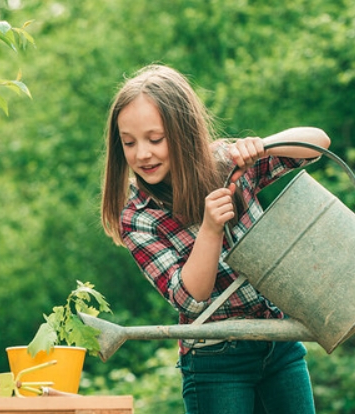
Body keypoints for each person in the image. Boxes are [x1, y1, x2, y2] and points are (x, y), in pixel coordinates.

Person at [100, 64, 330, 414]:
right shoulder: (138, 217)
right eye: (129, 143)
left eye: (155, 139)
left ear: (183, 132)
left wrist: (264, 147)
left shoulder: (226, 163)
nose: (142, 153)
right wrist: (209, 229)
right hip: (216, 359)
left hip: (278, 341)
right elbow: (190, 299)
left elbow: (317, 144)